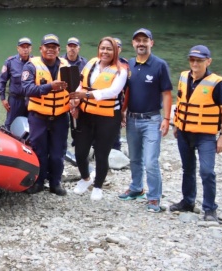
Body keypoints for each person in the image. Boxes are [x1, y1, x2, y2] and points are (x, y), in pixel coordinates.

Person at [170, 45, 222, 222]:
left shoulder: (216, 83)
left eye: (200, 60)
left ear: (208, 61)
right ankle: (187, 201)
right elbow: (180, 102)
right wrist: (175, 124)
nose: (195, 63)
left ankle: (210, 209)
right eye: (192, 60)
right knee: (187, 168)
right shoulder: (183, 76)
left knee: (207, 171)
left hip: (206, 135)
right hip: (183, 131)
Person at [118, 28, 173, 213]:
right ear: (133, 44)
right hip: (132, 119)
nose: (141, 43)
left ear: (151, 42)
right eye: (137, 40)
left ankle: (154, 197)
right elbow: (127, 92)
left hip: (152, 119)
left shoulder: (160, 65)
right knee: (134, 158)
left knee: (150, 161)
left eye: (145, 40)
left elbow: (166, 93)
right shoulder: (129, 65)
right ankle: (136, 188)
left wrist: (166, 118)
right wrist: (123, 111)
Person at [70, 37, 128, 201]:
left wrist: (86, 95)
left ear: (115, 51)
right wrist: (75, 99)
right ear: (98, 49)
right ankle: (85, 178)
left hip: (108, 117)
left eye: (109, 49)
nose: (105, 52)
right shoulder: (91, 64)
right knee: (80, 151)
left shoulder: (120, 70)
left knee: (102, 154)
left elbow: (112, 91)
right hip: (86, 114)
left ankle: (98, 186)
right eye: (103, 48)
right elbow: (81, 85)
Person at [21, 34, 69, 196]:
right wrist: (49, 87)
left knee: (57, 153)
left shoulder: (66, 65)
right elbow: (26, 89)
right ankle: (38, 182)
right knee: (39, 151)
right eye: (47, 46)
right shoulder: (31, 66)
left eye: (54, 47)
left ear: (58, 50)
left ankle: (55, 183)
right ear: (41, 49)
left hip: (60, 117)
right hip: (38, 117)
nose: (50, 49)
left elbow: (75, 87)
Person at [0, 37, 32, 130]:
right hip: (15, 100)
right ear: (18, 48)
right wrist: (3, 98)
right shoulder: (10, 62)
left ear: (31, 48)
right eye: (23, 47)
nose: (25, 49)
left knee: (31, 125)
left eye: (27, 47)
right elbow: (2, 80)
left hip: (30, 100)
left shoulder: (35, 62)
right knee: (10, 124)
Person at [111, 37, 129, 151]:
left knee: (116, 125)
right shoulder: (101, 61)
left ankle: (116, 148)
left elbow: (128, 86)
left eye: (118, 47)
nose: (115, 49)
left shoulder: (125, 64)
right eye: (113, 47)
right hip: (103, 99)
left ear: (120, 49)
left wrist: (125, 108)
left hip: (119, 99)